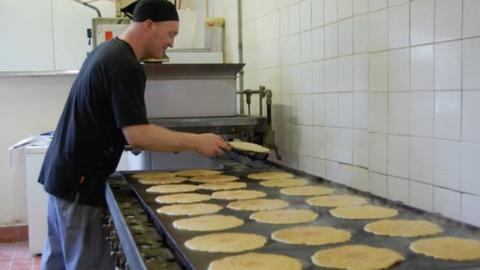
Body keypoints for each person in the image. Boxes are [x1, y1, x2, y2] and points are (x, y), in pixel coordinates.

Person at [38, 0, 230, 269]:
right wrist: (198, 142)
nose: (172, 43)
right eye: (171, 34)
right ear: (149, 25)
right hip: (82, 182)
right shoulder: (126, 65)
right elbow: (138, 135)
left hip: (62, 175)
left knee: (57, 262)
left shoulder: (105, 51)